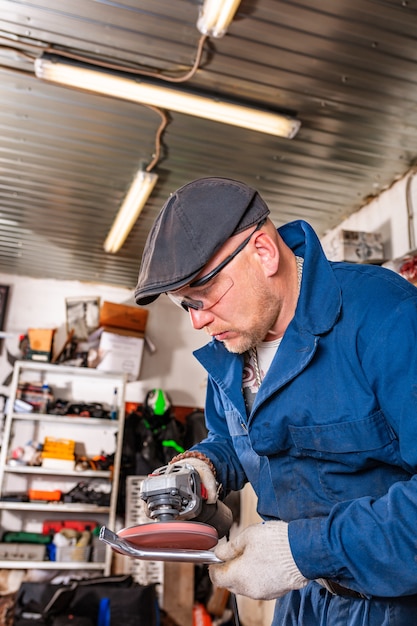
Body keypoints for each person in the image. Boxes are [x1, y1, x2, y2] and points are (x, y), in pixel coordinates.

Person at [134, 176, 417, 625]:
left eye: (204, 296)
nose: (198, 321)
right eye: (185, 305)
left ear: (263, 252)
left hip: (392, 604)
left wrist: (300, 551)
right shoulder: (234, 340)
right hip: (302, 599)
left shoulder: (386, 316)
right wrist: (202, 465)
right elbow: (236, 436)